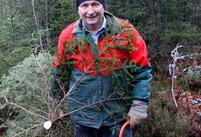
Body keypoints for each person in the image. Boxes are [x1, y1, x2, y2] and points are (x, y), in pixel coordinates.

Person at [51, 0, 152, 136]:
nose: (90, 11)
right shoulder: (68, 35)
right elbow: (60, 73)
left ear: (103, 6)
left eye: (95, 4)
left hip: (118, 115)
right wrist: (54, 102)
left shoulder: (126, 31)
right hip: (83, 118)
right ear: (78, 9)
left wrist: (139, 104)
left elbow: (141, 70)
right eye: (84, 5)